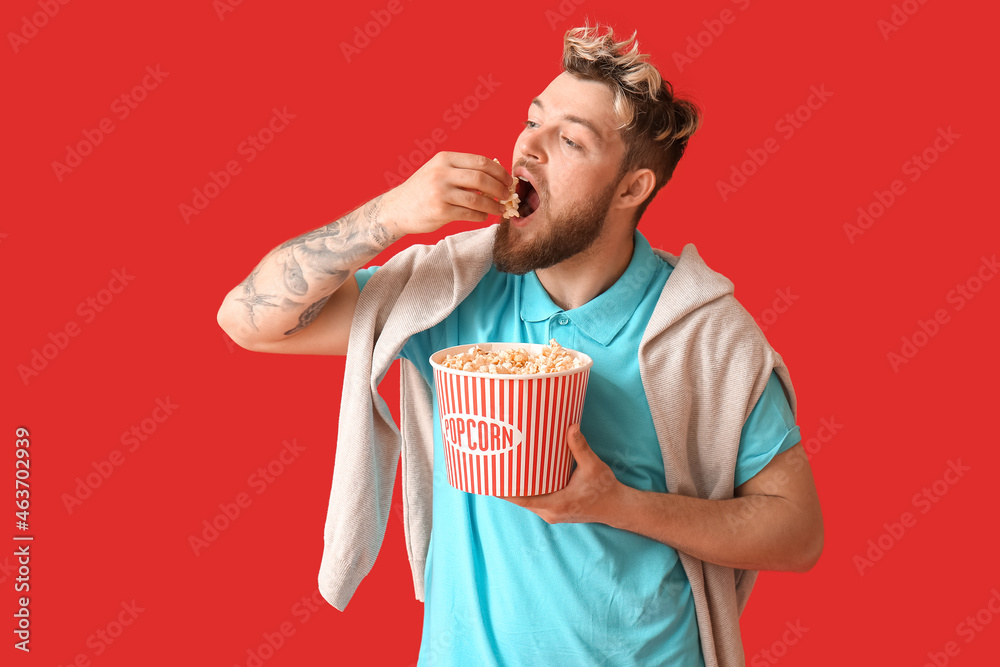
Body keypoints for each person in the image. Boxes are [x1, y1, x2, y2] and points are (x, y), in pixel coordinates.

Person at [217, 24, 823, 667]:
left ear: (631, 189)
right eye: (531, 121)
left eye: (569, 140)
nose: (527, 148)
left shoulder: (703, 332)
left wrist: (620, 505)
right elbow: (248, 320)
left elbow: (796, 531)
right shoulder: (450, 292)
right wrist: (390, 214)